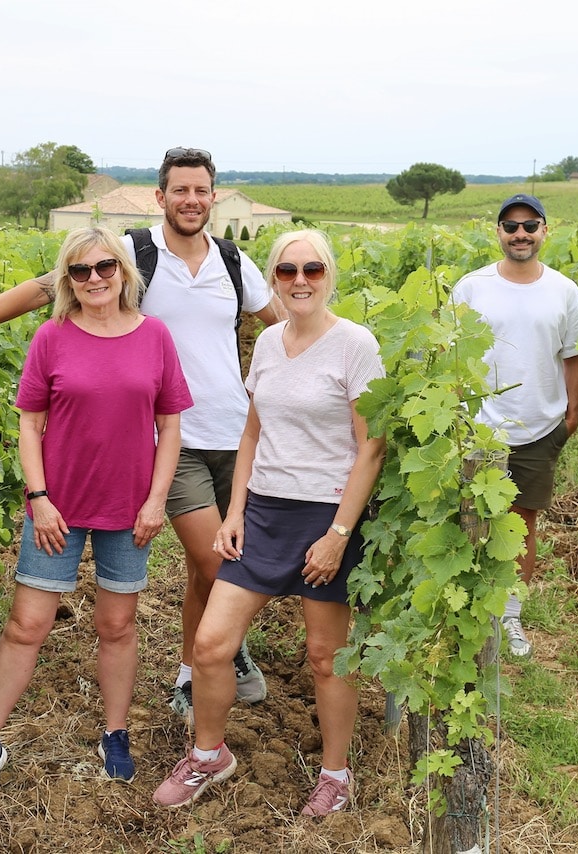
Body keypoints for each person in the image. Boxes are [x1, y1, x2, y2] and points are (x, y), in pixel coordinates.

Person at [0, 148, 283, 720]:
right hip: (171, 442)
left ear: (215, 196)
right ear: (160, 197)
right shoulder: (130, 256)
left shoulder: (234, 263)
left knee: (201, 567)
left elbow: (282, 325)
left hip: (233, 436)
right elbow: (42, 291)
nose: (191, 200)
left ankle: (194, 670)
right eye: (179, 190)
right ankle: (222, 654)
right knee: (219, 564)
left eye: (201, 190)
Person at [152, 230, 385, 816]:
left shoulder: (356, 345)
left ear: (329, 274)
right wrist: (234, 513)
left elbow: (371, 448)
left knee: (326, 655)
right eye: (286, 271)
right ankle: (209, 756)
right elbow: (251, 432)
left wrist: (337, 535)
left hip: (324, 515)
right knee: (209, 644)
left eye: (311, 269)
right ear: (275, 278)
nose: (299, 280)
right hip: (263, 513)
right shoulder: (269, 343)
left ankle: (336, 774)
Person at [0, 227, 193, 793]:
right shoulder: (52, 336)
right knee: (27, 625)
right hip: (58, 509)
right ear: (67, 280)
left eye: (105, 267)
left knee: (116, 626)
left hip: (129, 508)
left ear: (123, 271)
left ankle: (114, 733)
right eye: (80, 271)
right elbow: (29, 422)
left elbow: (170, 426)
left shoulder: (155, 336)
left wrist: (156, 501)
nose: (94, 278)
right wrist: (39, 499)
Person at [450, 194, 578, 659]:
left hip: (539, 427)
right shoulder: (472, 287)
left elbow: (574, 360)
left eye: (530, 225)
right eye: (511, 226)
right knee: (470, 524)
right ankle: (466, 611)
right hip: (478, 427)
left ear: (545, 230)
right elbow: (452, 356)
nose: (521, 234)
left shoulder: (565, 291)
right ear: (499, 233)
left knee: (521, 527)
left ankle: (510, 615)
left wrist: (571, 419)